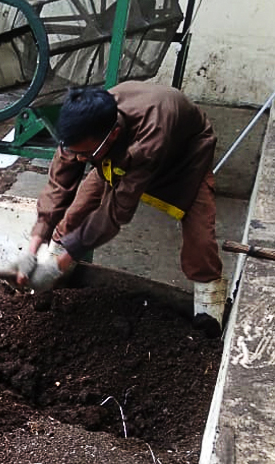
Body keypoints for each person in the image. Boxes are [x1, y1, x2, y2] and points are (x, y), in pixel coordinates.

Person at [14, 81, 227, 333]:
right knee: (76, 213)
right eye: (74, 151)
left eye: (84, 154)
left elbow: (115, 212)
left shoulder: (150, 138)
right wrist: (33, 247)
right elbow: (59, 184)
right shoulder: (84, 128)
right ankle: (56, 271)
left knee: (200, 240)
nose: (79, 159)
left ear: (112, 135)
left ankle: (209, 311)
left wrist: (58, 265)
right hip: (119, 152)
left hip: (184, 156)